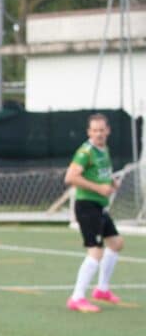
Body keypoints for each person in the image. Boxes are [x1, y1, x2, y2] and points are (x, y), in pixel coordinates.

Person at [65, 113, 123, 313]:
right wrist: (99, 189)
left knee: (116, 243)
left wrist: (112, 182)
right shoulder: (85, 151)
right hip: (87, 205)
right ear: (89, 132)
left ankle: (102, 290)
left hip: (99, 206)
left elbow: (103, 173)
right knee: (96, 251)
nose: (98, 134)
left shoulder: (103, 149)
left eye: (102, 130)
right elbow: (70, 177)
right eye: (94, 130)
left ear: (108, 130)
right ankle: (77, 297)